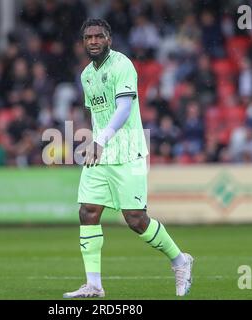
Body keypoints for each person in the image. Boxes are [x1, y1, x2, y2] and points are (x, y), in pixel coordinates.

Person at [63, 19, 193, 299]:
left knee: (136, 220)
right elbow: (97, 114)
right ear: (83, 42)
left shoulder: (122, 65)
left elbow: (124, 108)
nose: (94, 41)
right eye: (88, 37)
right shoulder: (86, 75)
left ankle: (180, 260)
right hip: (100, 153)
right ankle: (94, 285)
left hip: (127, 151)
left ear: (109, 39)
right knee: (87, 212)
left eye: (99, 36)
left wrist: (100, 140)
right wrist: (93, 140)